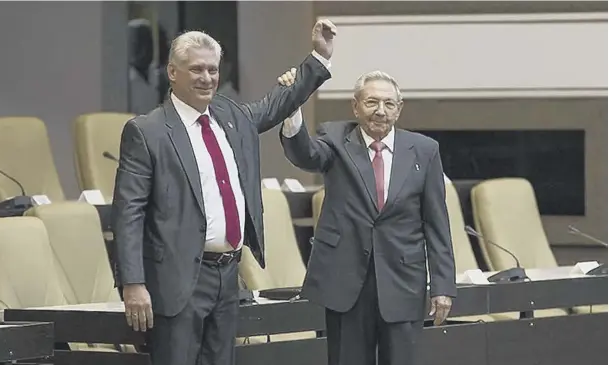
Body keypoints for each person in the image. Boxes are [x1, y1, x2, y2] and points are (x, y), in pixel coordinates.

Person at [111, 20, 336, 365]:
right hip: (178, 279)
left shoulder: (230, 115)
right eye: (196, 69)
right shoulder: (147, 131)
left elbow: (275, 104)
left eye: (213, 69)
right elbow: (129, 212)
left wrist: (318, 58)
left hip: (228, 274)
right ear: (172, 72)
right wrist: (133, 283)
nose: (207, 78)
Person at [277, 69, 456, 365]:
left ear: (399, 109)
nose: (380, 111)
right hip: (346, 282)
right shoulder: (334, 139)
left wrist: (442, 286)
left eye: (388, 104)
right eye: (372, 102)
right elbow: (304, 154)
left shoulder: (424, 150)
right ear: (355, 106)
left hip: (402, 281)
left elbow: (436, 223)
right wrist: (293, 105)